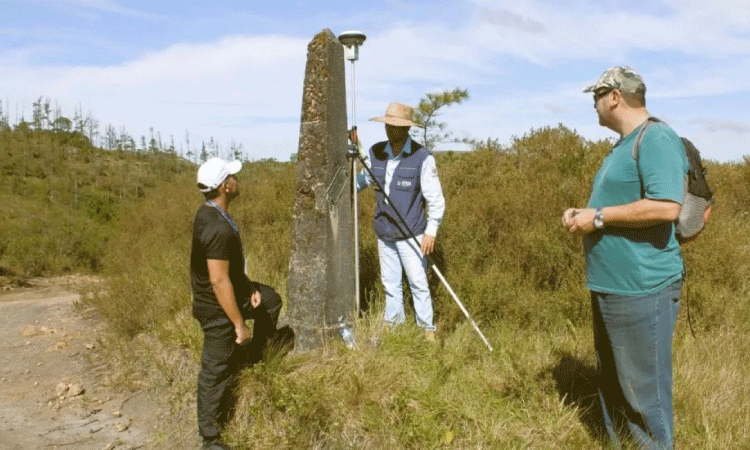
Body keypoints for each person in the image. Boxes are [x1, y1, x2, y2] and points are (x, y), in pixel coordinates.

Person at [562, 67, 687, 449]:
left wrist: (598, 217)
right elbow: (619, 205)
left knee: (643, 395)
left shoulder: (656, 138)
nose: (594, 105)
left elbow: (667, 207)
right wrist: (584, 213)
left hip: (642, 287)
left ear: (614, 96)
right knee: (616, 388)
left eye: (595, 96)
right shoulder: (623, 144)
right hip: (612, 285)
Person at [190, 157, 282, 450]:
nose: (236, 180)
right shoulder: (217, 228)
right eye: (232, 176)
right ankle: (210, 439)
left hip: (231, 294)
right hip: (217, 308)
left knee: (270, 300)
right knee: (214, 371)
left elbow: (231, 269)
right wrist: (239, 325)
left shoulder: (212, 213)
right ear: (224, 186)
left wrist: (251, 286)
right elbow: (219, 281)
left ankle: (251, 359)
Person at [355, 102, 445, 340]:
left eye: (396, 126)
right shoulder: (376, 153)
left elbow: (436, 199)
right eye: (388, 125)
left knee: (418, 283)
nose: (390, 130)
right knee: (390, 284)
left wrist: (431, 231)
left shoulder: (422, 157)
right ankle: (394, 327)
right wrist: (348, 186)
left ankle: (427, 329)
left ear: (406, 129)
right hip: (385, 232)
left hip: (412, 233)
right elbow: (365, 179)